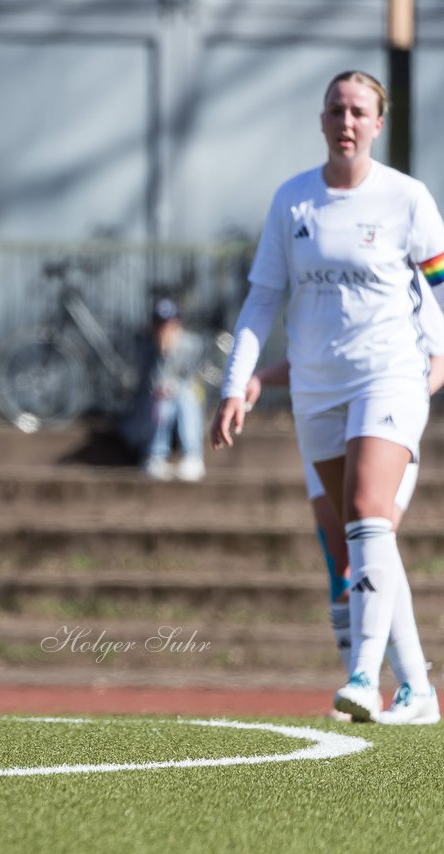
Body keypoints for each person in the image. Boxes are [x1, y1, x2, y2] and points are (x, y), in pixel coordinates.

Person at [212, 70, 444, 725]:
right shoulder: (293, 202)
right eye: (336, 109)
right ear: (322, 121)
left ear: (378, 122)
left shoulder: (407, 199)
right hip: (317, 389)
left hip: (391, 376)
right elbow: (264, 298)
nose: (347, 121)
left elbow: (442, 287)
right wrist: (239, 384)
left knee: (370, 511)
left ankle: (365, 677)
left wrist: (440, 359)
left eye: (359, 111)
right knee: (355, 537)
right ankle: (420, 691)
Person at [245, 328, 444, 724]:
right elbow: (321, 359)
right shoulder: (325, 277)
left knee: (368, 547)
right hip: (331, 426)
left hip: (387, 425)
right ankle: (364, 695)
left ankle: (386, 683)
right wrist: (260, 378)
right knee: (341, 565)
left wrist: (402, 396)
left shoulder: (415, 274)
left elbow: (438, 354)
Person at [128, 298, 206, 481]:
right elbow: (143, 384)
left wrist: (170, 355)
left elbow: (193, 379)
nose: (165, 329)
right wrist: (162, 354)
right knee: (162, 400)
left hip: (184, 406)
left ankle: (193, 457)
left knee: (185, 394)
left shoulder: (192, 344)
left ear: (178, 323)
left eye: (170, 323)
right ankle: (155, 456)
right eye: (160, 323)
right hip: (151, 412)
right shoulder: (144, 346)